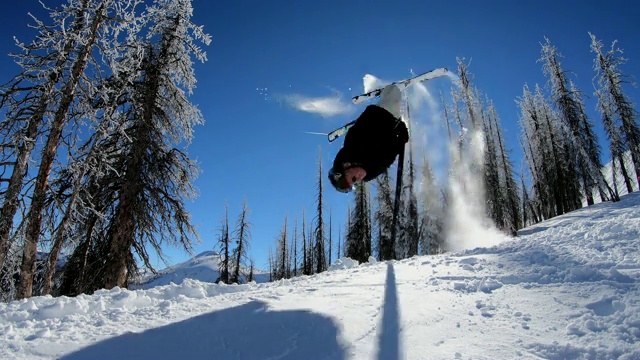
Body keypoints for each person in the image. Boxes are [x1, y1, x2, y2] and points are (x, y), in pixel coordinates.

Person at [328, 84, 409, 193]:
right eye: (355, 184)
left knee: (394, 93)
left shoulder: (353, 148)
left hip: (381, 115)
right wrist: (400, 141)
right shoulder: (370, 173)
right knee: (396, 107)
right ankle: (387, 95)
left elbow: (366, 125)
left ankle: (387, 89)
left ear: (346, 166)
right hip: (392, 126)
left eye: (353, 178)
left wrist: (392, 123)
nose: (358, 179)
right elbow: (388, 158)